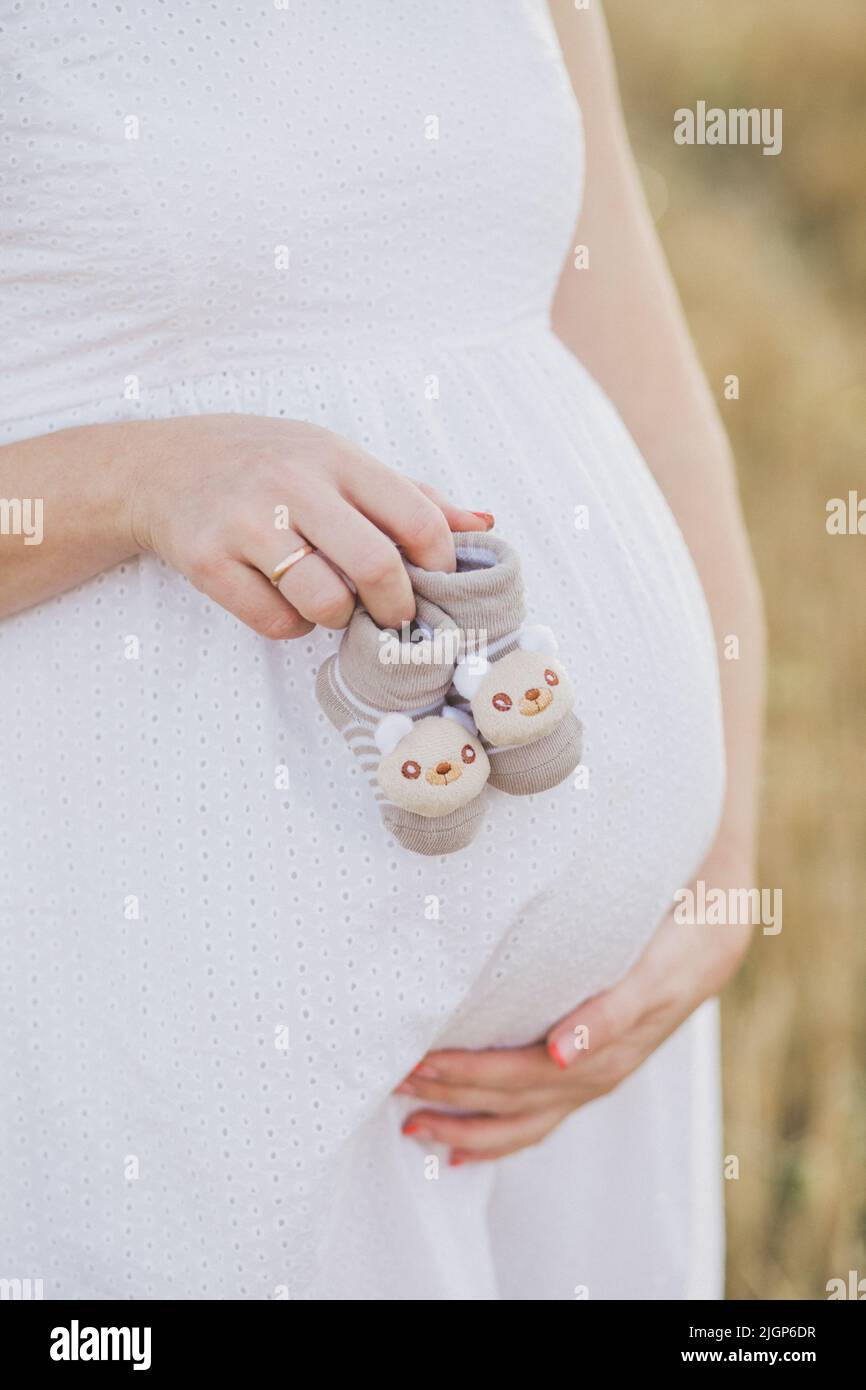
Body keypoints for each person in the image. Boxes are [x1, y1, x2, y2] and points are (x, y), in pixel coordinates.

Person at [0, 1, 763, 1299]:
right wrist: (130, 476)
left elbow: (631, 357)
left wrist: (721, 852)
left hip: (556, 1108)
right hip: (148, 1057)